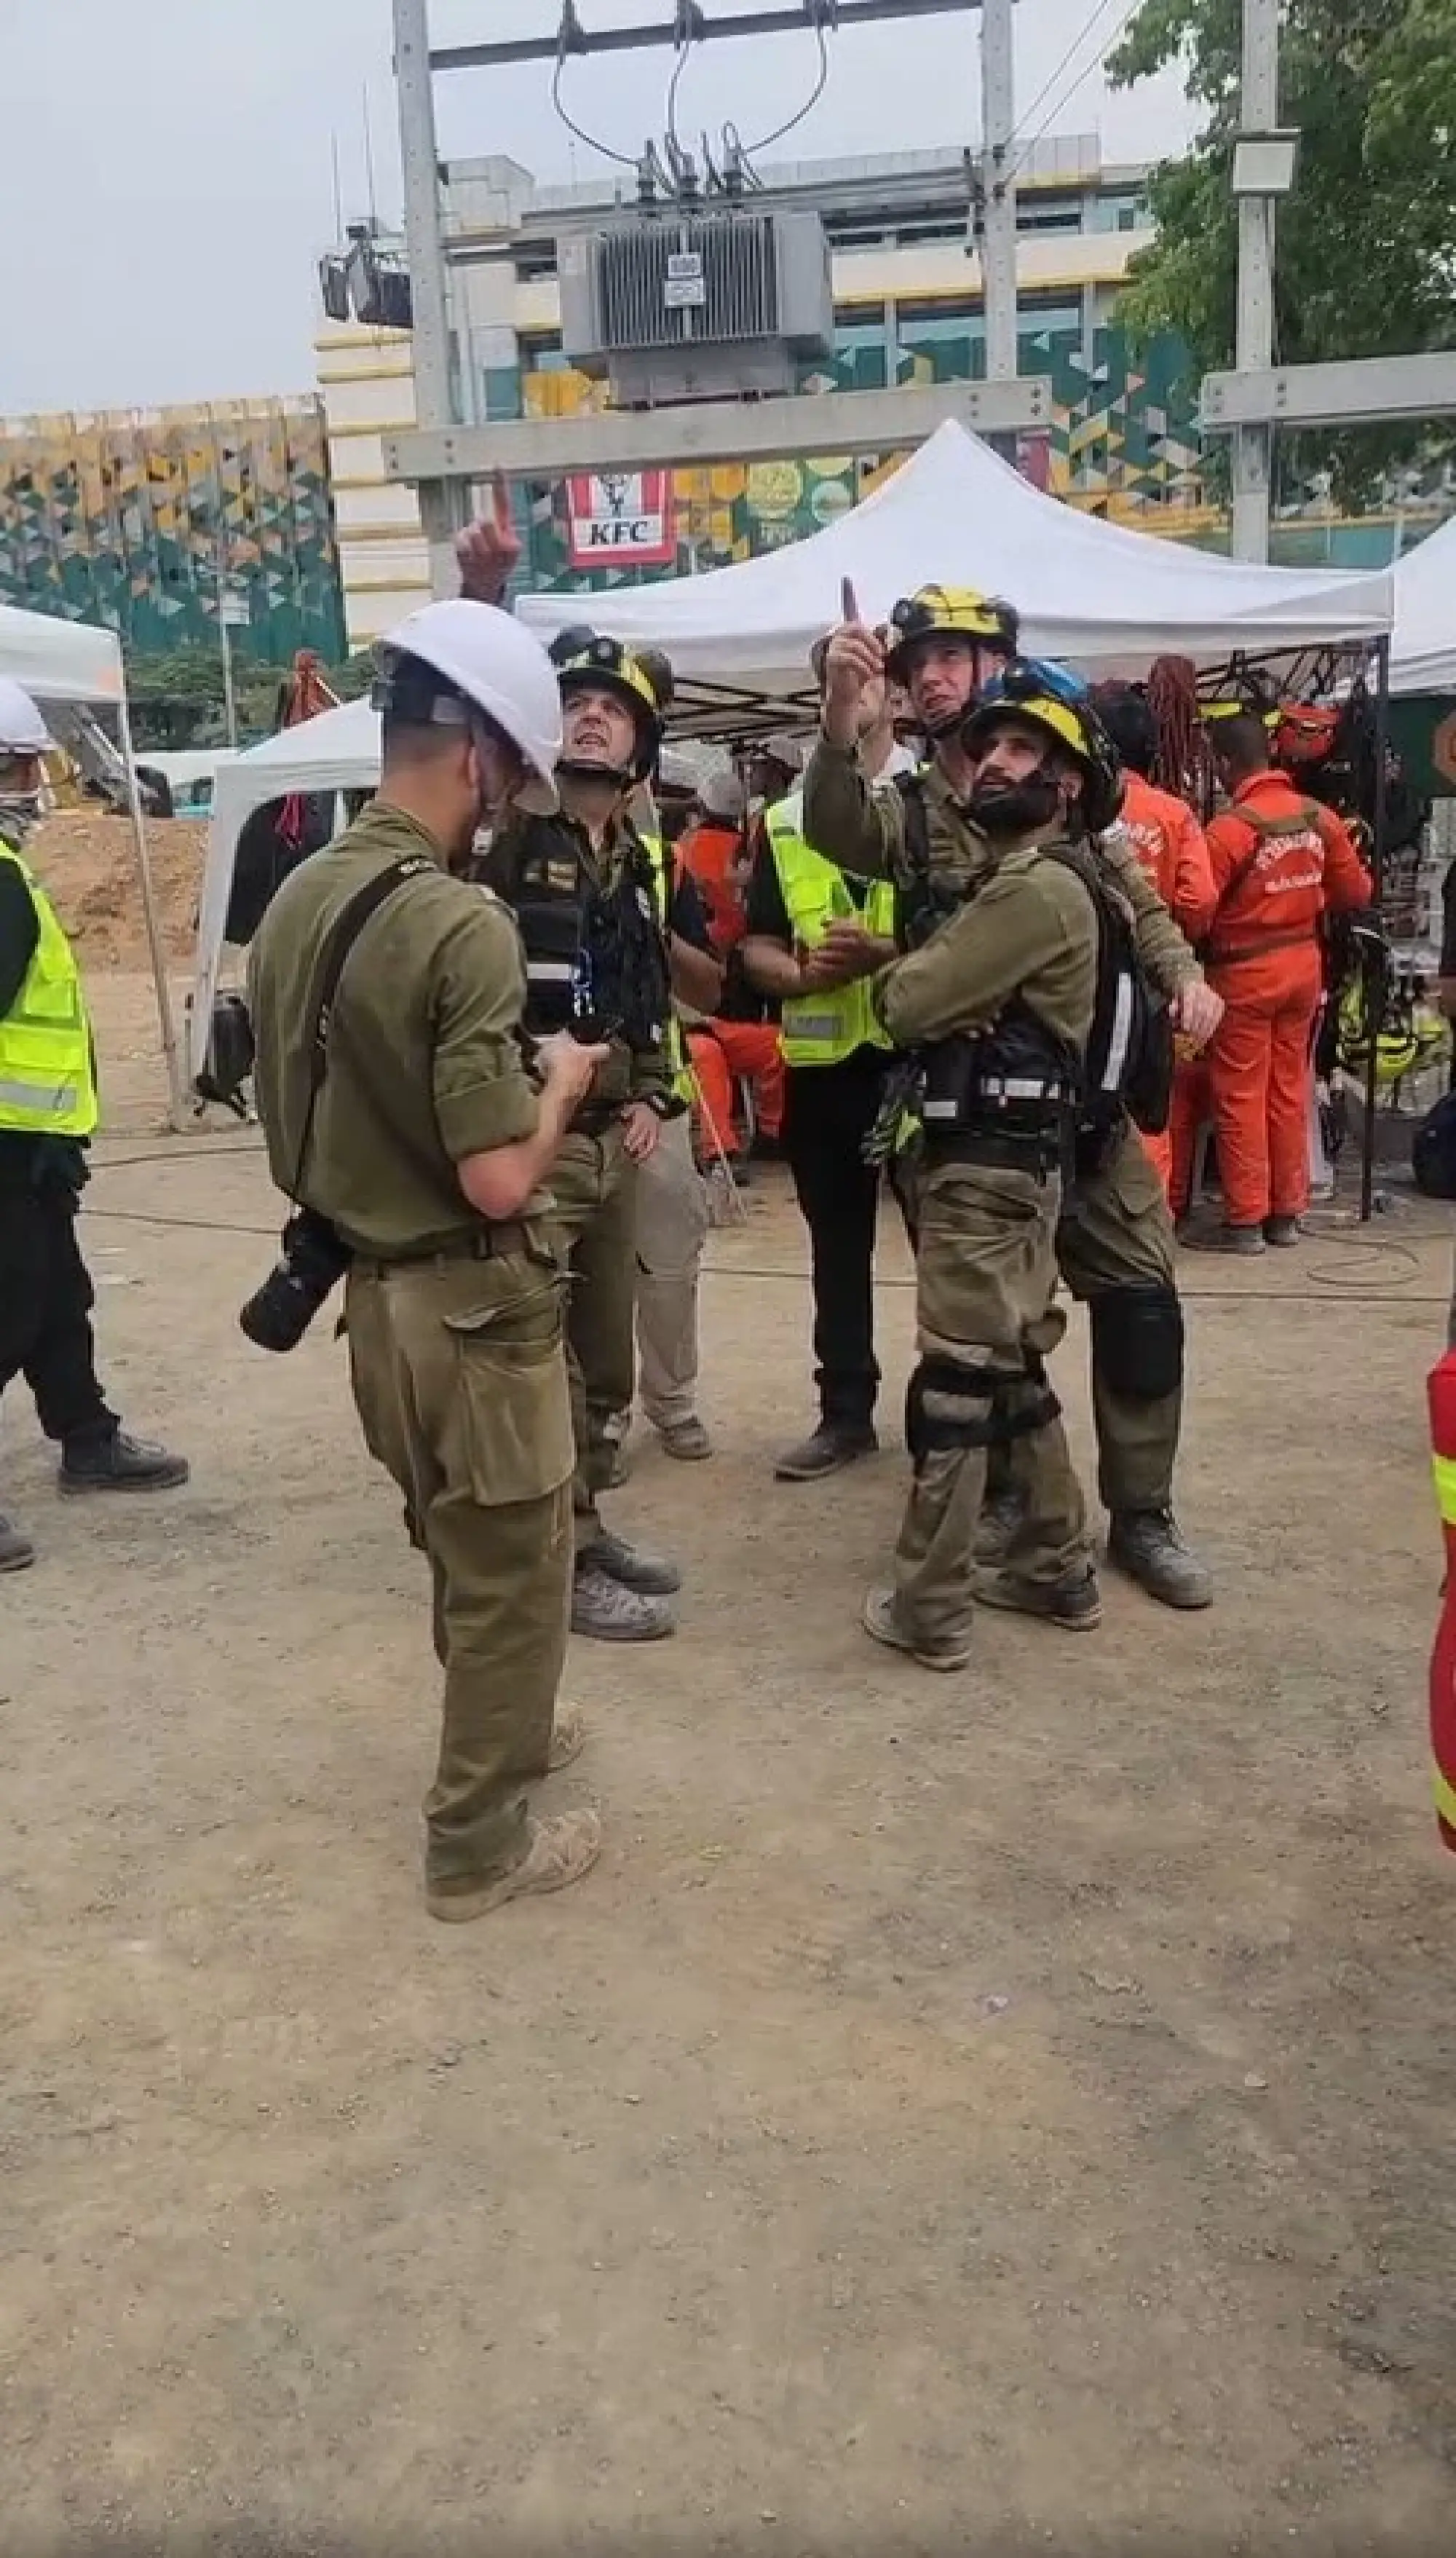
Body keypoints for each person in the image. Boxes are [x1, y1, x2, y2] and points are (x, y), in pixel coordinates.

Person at [247, 599, 606, 1923]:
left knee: (460, 1548)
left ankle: (508, 1734)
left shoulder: (300, 896)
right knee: (516, 1571)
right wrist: (560, 1083)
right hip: (472, 1307)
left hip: (374, 1311)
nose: (508, 798)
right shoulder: (460, 923)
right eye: (511, 773)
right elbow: (502, 1173)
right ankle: (480, 1845)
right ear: (477, 762)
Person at [802, 602, 1224, 1611]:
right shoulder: (907, 811)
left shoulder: (1062, 799)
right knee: (986, 1339)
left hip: (1088, 1113)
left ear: (999, 664)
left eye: (954, 657)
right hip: (974, 1126)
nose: (935, 678)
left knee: (1142, 1309)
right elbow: (835, 831)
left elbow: (1136, 909)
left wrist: (1185, 977)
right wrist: (837, 721)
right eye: (919, 665)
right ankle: (1007, 1508)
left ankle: (1144, 1515)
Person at [855, 666, 1115, 1667]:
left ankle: (930, 1608)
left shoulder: (1037, 888)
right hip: (1015, 1168)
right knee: (1010, 1368)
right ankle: (1054, 1563)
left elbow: (905, 1003)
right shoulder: (1030, 887)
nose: (993, 760)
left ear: (1068, 788)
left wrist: (920, 985)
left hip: (985, 1175)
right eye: (993, 745)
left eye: (1024, 753)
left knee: (959, 1382)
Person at [472, 631, 684, 1641]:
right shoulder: (511, 838)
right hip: (534, 1133)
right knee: (539, 1355)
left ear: (641, 746)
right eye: (575, 700)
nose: (593, 712)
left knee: (606, 1365)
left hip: (613, 1137)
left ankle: (589, 1523)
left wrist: (654, 1093)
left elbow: (644, 996)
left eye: (616, 705)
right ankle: (558, 1559)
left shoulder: (642, 859)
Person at [0, 677, 188, 1574]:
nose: (37, 784)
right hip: (7, 1148)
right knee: (15, 1305)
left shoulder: (11, 876)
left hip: (29, 1142)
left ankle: (86, 1434)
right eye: (20, 766)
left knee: (59, 1298)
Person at [737, 630, 917, 1480]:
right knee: (835, 1253)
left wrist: (889, 958)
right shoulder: (778, 821)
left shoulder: (933, 803)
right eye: (836, 682)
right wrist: (801, 973)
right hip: (823, 1068)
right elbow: (754, 948)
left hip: (917, 1061)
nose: (853, 693)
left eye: (869, 679)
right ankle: (844, 1413)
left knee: (949, 1245)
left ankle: (955, 1416)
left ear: (900, 695)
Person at [1189, 710, 1372, 1253]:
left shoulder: (1228, 832)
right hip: (1303, 969)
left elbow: (1195, 911)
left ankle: (1246, 1221)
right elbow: (1355, 893)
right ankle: (1285, 1215)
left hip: (1244, 974)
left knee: (1241, 1093)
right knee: (1289, 1088)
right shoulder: (1321, 819)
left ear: (1225, 764)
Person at [1091, 682, 1218, 1202]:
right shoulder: (1173, 813)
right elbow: (1201, 898)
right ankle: (1149, 1226)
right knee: (1149, 1102)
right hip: (1150, 984)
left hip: (1082, 976)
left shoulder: (1070, 804)